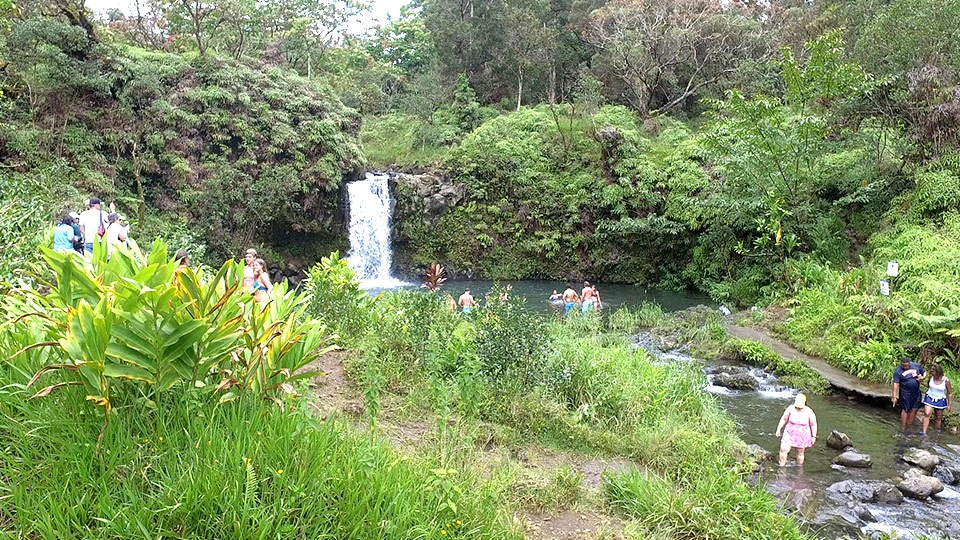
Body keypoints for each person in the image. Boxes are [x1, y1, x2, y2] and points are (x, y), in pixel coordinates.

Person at [775, 393, 818, 466]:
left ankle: (799, 468)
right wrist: (778, 429)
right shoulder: (790, 409)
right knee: (783, 449)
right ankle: (782, 466)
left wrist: (813, 436)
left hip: (802, 435)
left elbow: (813, 425)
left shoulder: (809, 412)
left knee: (800, 452)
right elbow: (784, 419)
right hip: (789, 433)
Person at [893, 356, 926, 431]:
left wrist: (923, 377)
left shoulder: (915, 365)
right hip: (905, 393)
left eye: (907, 365)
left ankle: (910, 425)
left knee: (915, 409)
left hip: (916, 392)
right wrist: (894, 396)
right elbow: (895, 384)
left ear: (910, 363)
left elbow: (924, 372)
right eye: (904, 366)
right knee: (906, 409)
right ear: (901, 364)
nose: (905, 367)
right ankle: (903, 427)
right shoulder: (898, 371)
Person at [921, 363, 952, 435]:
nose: (932, 373)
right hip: (930, 397)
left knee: (938, 417)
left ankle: (937, 432)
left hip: (940, 399)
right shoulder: (931, 377)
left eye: (933, 372)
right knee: (927, 413)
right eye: (931, 372)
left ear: (938, 372)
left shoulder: (946, 380)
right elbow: (929, 385)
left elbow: (949, 393)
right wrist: (921, 382)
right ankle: (924, 432)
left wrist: (949, 405)